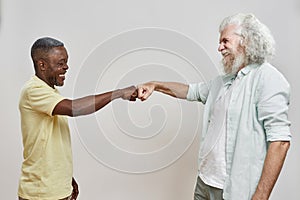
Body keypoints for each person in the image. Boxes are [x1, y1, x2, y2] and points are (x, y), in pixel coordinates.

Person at [137, 13, 291, 200]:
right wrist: (155, 84)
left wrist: (261, 196)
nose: (219, 48)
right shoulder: (223, 82)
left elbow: (280, 142)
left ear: (246, 40)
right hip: (205, 183)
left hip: (235, 191)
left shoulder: (268, 78)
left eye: (225, 41)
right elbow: (190, 91)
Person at [18, 37, 137, 200]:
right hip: (41, 194)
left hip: (56, 189)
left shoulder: (50, 93)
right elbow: (75, 108)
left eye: (66, 62)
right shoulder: (33, 91)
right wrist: (118, 93)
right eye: (60, 63)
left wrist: (65, 180)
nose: (66, 67)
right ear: (42, 65)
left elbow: (50, 143)